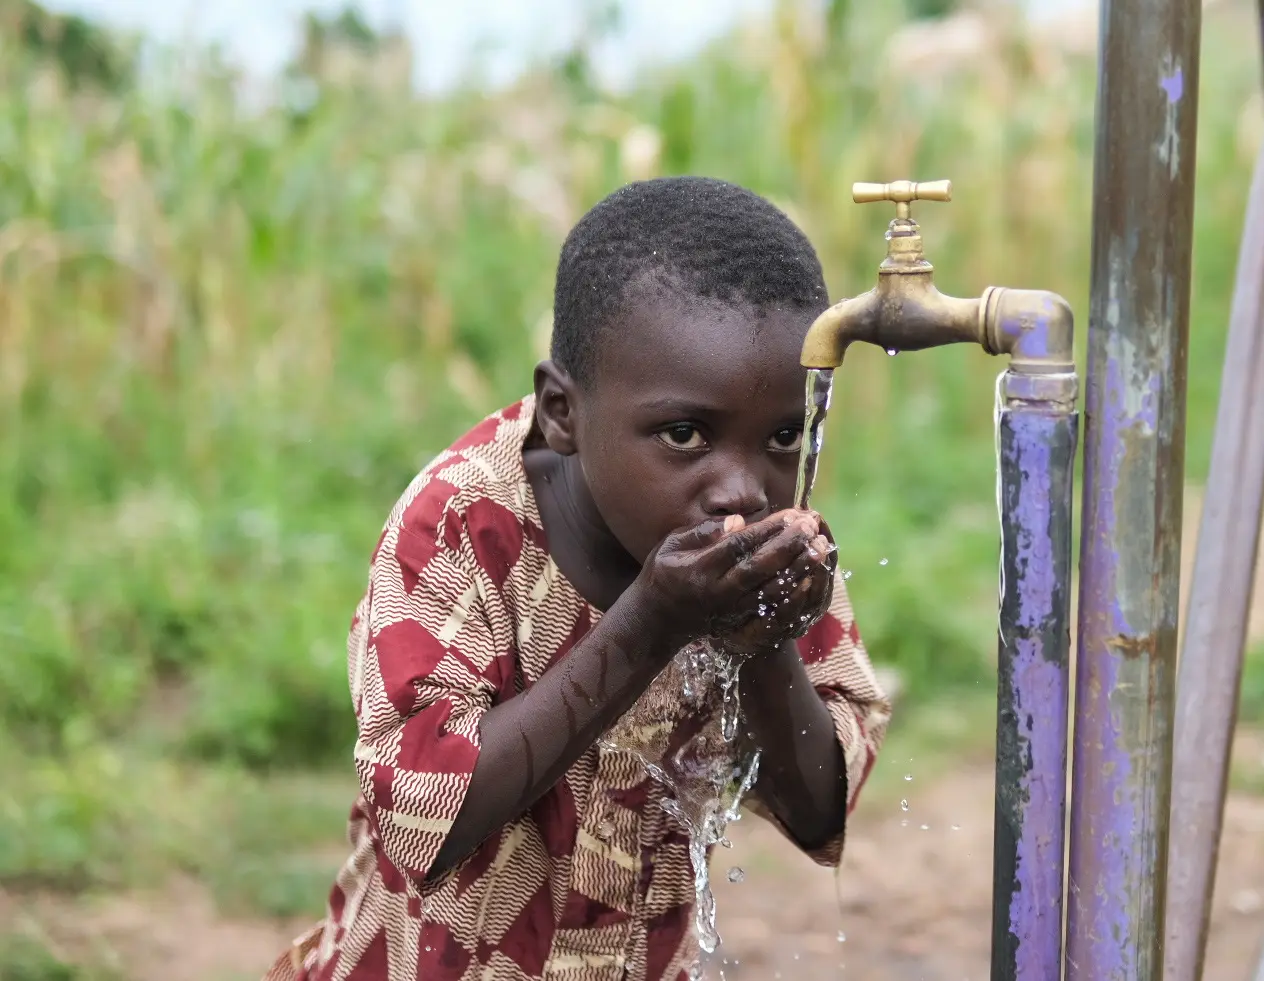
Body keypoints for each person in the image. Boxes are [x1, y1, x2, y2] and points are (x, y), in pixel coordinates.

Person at [264, 176, 891, 981]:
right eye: (685, 433)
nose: (743, 488)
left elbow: (818, 813)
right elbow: (429, 821)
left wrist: (763, 642)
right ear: (562, 411)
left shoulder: (767, 552)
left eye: (781, 437)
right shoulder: (465, 523)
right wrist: (650, 621)